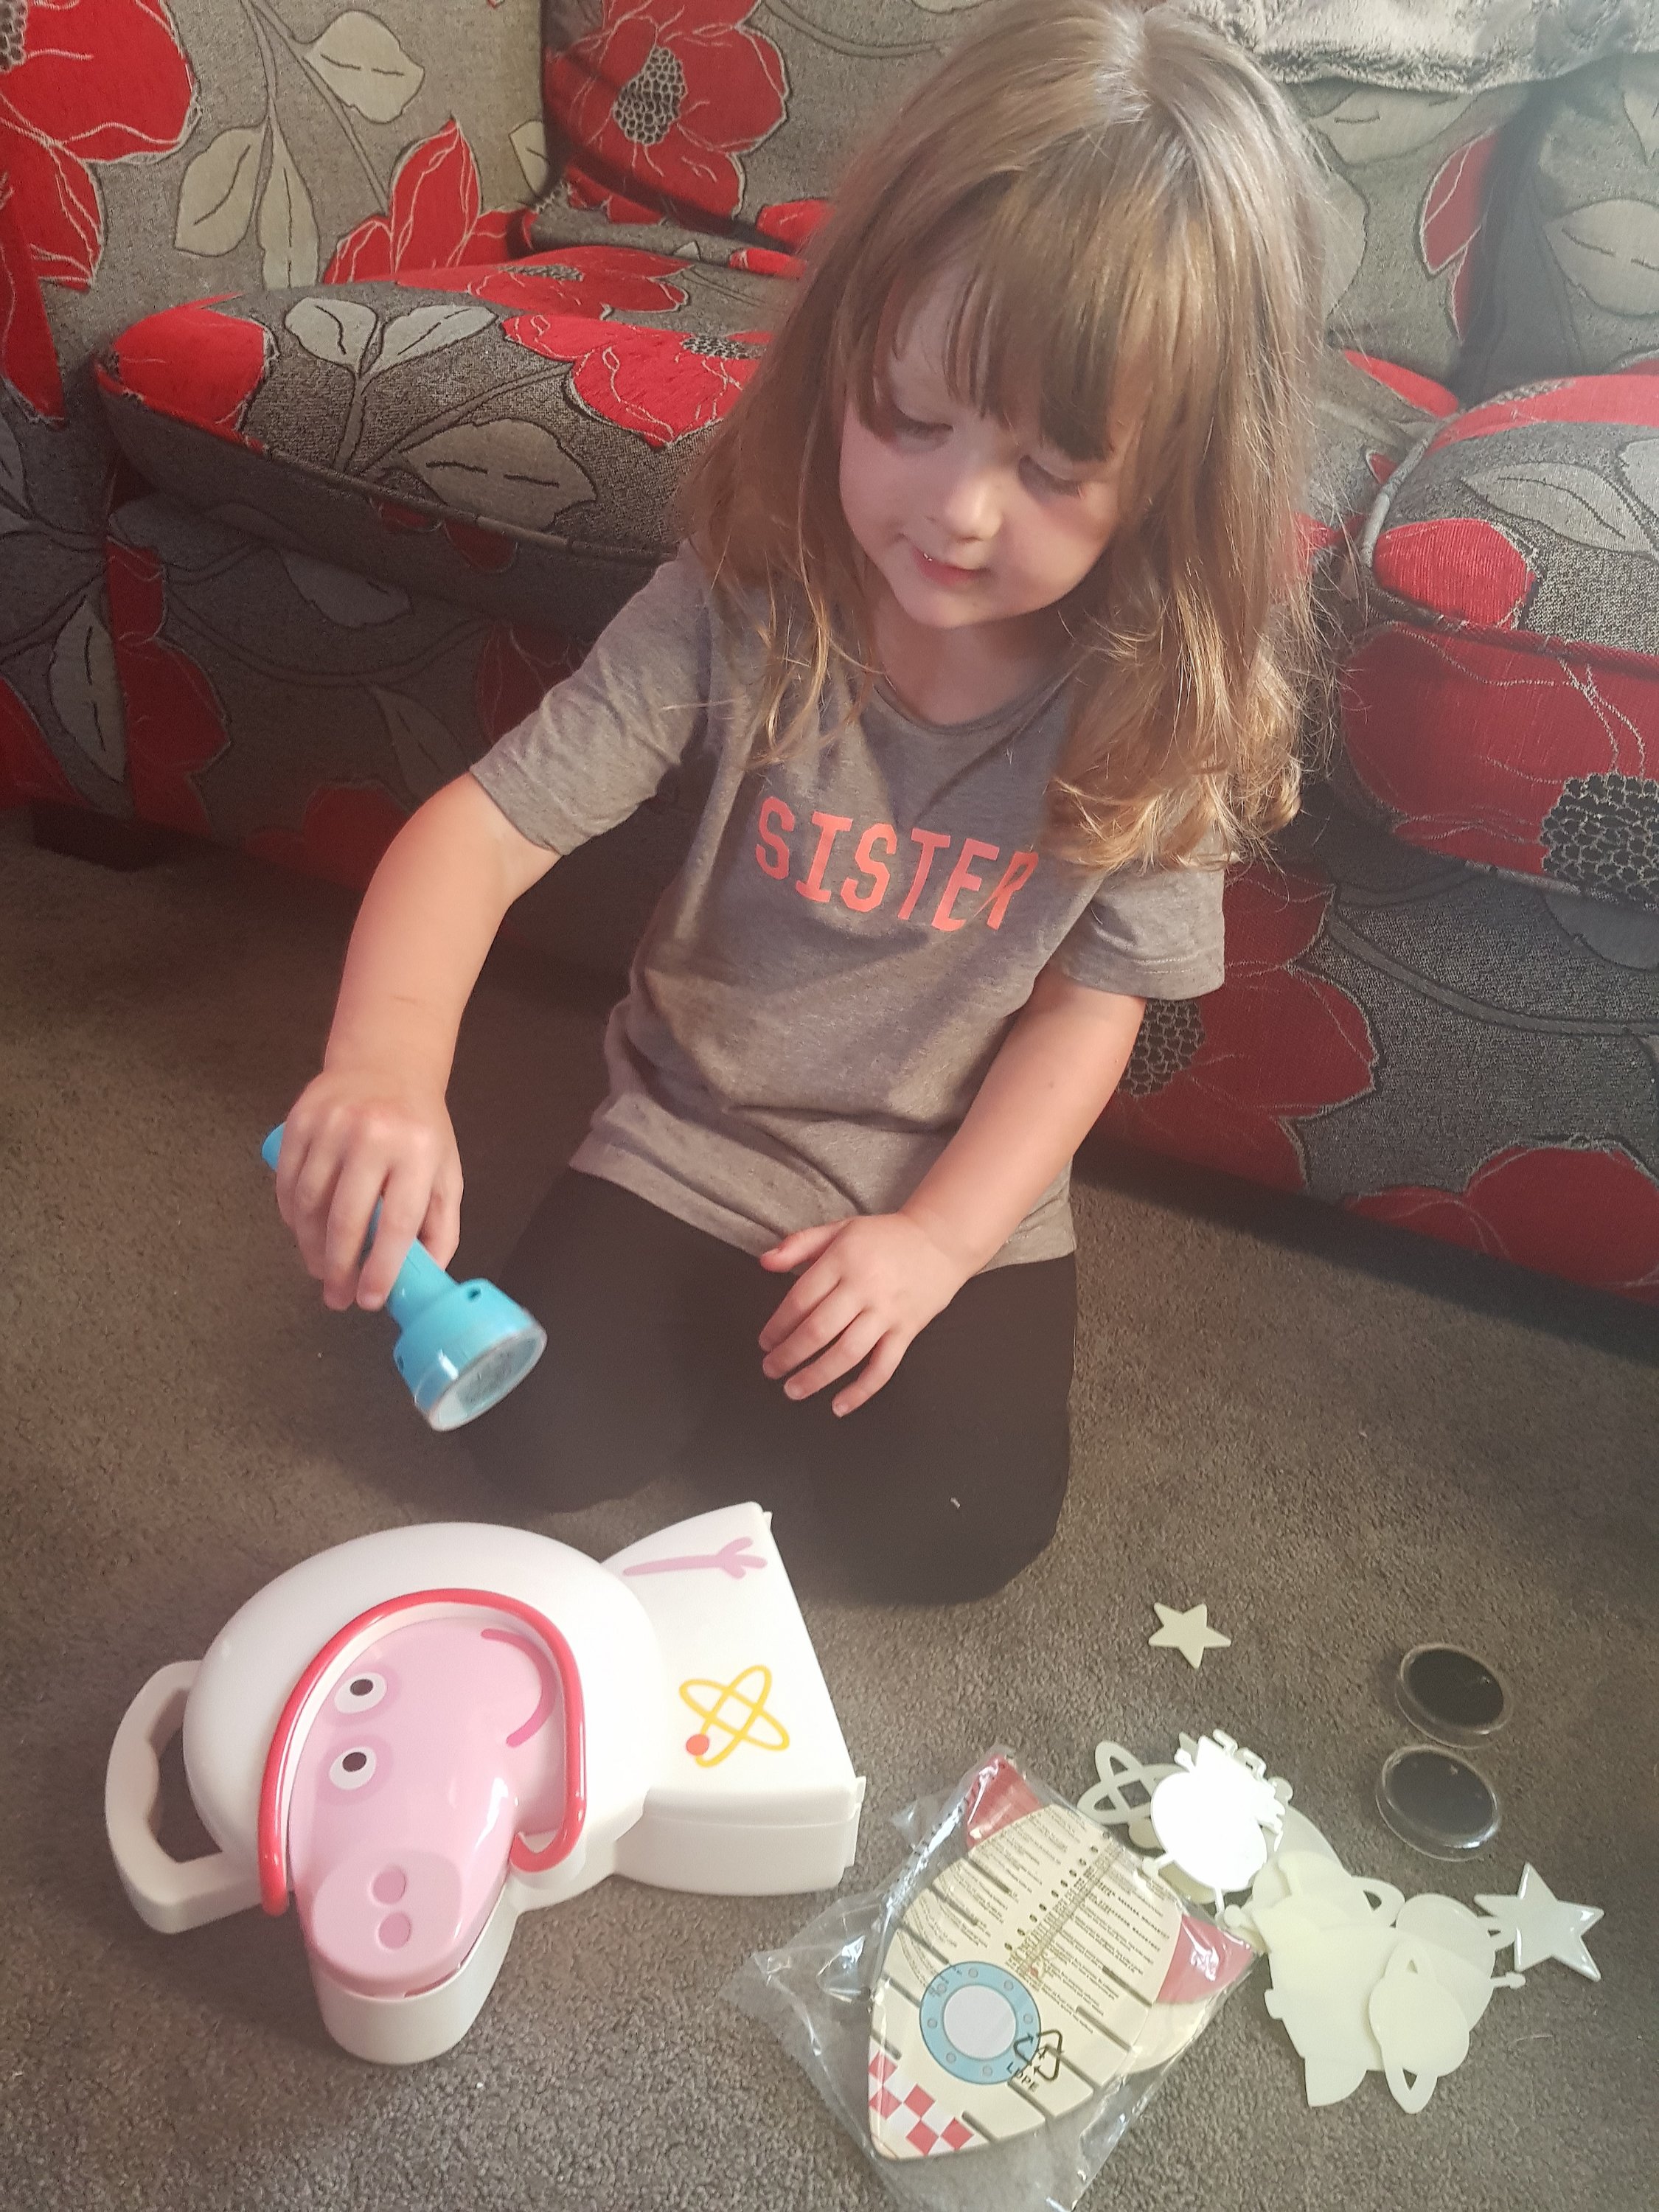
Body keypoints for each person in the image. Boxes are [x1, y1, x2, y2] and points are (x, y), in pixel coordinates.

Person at [272, 0, 1326, 1604]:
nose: (957, 512)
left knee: (954, 1532)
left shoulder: (1154, 703)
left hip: (944, 1175)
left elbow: (1090, 1009)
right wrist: (383, 1068)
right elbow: (485, 833)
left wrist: (939, 1244)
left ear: (1174, 484)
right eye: (912, 418)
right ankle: (723, 1354)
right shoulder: (746, 599)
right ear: (847, 356)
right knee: (533, 1443)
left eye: (1052, 473)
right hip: (690, 1134)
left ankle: (800, 1350)